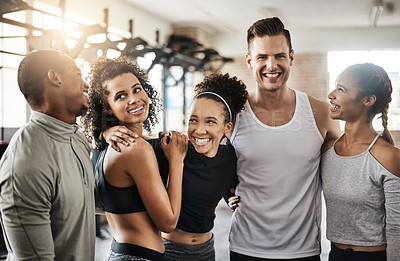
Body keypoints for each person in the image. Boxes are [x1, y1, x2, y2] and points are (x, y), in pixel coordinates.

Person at [227, 17, 341, 261]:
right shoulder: (232, 114)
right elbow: (206, 159)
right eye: (262, 57)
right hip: (246, 247)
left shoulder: (321, 113)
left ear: (291, 57)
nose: (272, 65)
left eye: (279, 56)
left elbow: (345, 169)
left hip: (304, 250)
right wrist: (226, 194)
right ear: (249, 61)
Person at [102, 73, 248, 261]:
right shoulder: (173, 149)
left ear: (227, 127)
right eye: (193, 120)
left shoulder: (230, 158)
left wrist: (231, 198)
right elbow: (134, 143)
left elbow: (227, 183)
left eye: (210, 121)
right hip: (169, 250)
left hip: (206, 250)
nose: (199, 129)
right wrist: (105, 132)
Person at [82, 56, 188, 261]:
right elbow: (168, 223)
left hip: (123, 251)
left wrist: (102, 133)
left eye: (137, 89)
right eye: (121, 96)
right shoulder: (135, 148)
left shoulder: (111, 144)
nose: (134, 99)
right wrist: (177, 161)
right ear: (107, 108)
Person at [0, 49, 95, 260]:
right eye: (78, 74)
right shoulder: (26, 162)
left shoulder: (77, 139)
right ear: (55, 77)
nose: (86, 85)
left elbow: (84, 202)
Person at [321, 63, 400, 261]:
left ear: (368, 100)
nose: (331, 94)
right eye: (335, 86)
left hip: (373, 257)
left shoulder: (389, 157)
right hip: (335, 254)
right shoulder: (327, 150)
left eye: (341, 89)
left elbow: (396, 228)